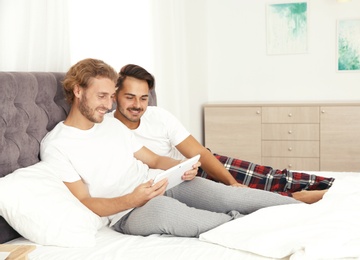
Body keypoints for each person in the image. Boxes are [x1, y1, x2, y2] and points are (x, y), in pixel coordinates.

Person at [40, 58, 301, 238]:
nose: (109, 105)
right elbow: (86, 202)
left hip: (159, 183)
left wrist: (183, 167)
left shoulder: (111, 126)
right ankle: (272, 227)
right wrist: (134, 199)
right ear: (77, 90)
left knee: (230, 196)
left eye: (111, 96)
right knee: (195, 218)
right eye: (102, 96)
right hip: (128, 211)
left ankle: (300, 210)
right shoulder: (57, 145)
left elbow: (153, 159)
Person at [109, 64, 334, 204]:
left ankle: (336, 186)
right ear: (115, 96)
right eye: (130, 97)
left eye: (144, 98)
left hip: (192, 168)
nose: (137, 105)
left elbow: (200, 153)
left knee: (269, 176)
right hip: (175, 186)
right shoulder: (108, 132)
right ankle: (298, 199)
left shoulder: (159, 116)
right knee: (247, 199)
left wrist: (230, 181)